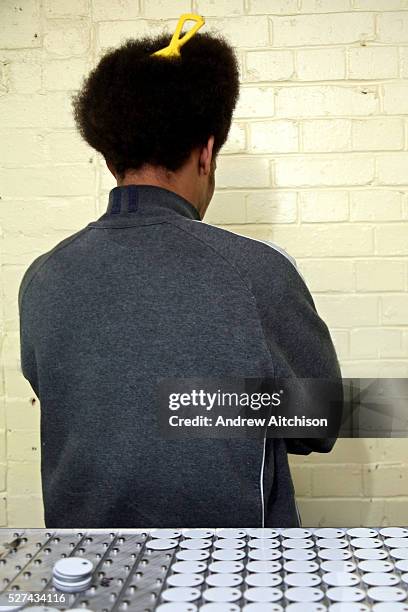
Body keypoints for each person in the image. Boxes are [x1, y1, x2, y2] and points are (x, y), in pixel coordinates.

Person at [18, 14, 341, 528]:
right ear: (207, 152)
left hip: (82, 575)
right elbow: (319, 422)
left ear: (109, 159)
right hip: (231, 576)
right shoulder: (256, 271)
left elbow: (80, 403)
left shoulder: (42, 277)